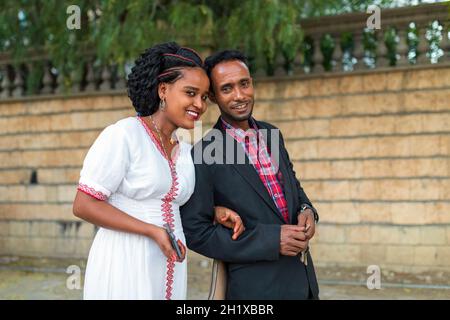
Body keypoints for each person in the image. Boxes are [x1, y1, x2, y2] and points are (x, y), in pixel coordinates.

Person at [72, 42, 244, 300]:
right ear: (163, 90)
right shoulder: (124, 135)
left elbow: (170, 204)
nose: (199, 104)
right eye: (190, 93)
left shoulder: (184, 151)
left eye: (204, 97)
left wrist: (213, 212)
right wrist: (150, 230)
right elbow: (84, 205)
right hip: (125, 260)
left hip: (169, 262)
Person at [180, 50, 320, 300]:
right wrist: (270, 241)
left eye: (244, 84)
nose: (240, 95)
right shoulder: (204, 152)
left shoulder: (272, 134)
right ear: (212, 96)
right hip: (255, 290)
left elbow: (294, 189)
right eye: (227, 88)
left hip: (304, 283)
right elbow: (196, 232)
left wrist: (307, 209)